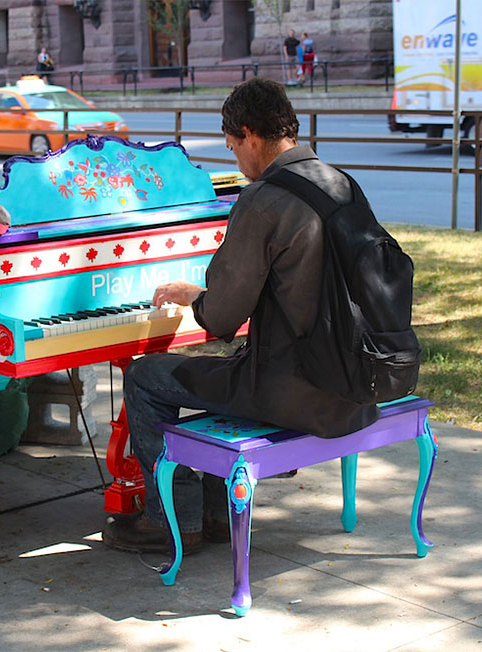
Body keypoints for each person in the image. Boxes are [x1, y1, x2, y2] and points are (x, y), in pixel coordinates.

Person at [101, 78, 380, 555]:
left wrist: (195, 296)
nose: (237, 161)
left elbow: (223, 318)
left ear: (250, 135)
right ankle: (214, 511)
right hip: (354, 376)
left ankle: (172, 514)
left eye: (233, 149)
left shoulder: (263, 199)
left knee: (147, 377)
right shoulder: (340, 182)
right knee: (218, 372)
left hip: (293, 389)